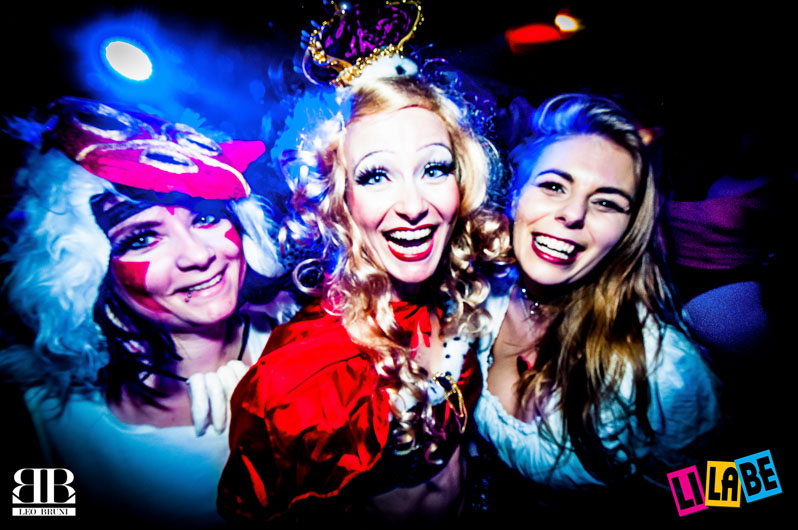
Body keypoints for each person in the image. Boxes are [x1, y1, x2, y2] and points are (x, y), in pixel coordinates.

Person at [216, 3, 510, 524]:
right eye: (376, 176)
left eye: (434, 169)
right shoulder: (301, 380)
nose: (414, 205)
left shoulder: (455, 302)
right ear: (339, 198)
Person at [1, 97, 292, 526]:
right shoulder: (50, 419)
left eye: (205, 219)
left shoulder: (311, 349)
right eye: (141, 239)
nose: (197, 255)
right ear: (88, 273)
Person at [473, 94, 720, 497]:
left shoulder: (659, 365)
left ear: (628, 232)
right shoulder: (481, 298)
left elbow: (750, 480)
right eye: (553, 186)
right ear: (516, 194)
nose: (573, 214)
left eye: (606, 202)